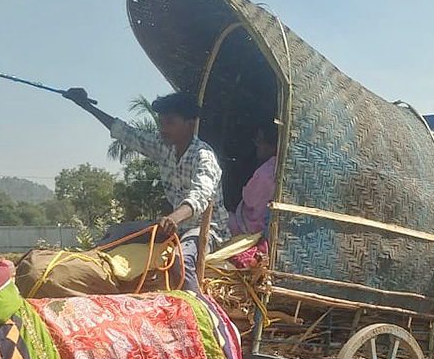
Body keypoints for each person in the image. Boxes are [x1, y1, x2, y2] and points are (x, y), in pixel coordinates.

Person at [62, 88, 229, 292]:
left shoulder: (204, 157)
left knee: (179, 261)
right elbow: (127, 133)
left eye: (170, 123)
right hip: (174, 226)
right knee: (114, 234)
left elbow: (200, 196)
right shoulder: (164, 147)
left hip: (205, 229)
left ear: (190, 123)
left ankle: (201, 313)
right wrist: (85, 105)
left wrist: (174, 218)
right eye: (161, 123)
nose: (163, 129)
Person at [228, 120, 279, 237]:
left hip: (252, 228)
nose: (257, 146)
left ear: (272, 147)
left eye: (260, 141)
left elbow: (249, 199)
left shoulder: (266, 173)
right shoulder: (280, 168)